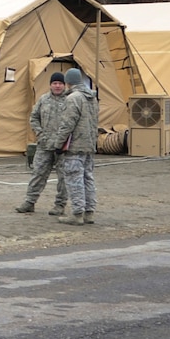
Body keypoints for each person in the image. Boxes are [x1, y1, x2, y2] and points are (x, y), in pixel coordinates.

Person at [17, 72, 73, 214]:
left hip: (63, 146)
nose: (58, 86)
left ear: (64, 85)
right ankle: (29, 202)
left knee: (63, 177)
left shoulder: (70, 100)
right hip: (44, 144)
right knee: (38, 173)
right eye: (55, 83)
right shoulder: (43, 100)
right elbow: (34, 118)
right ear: (50, 85)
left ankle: (60, 205)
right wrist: (40, 133)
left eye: (60, 83)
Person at [59, 67, 100, 225]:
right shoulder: (92, 98)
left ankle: (77, 214)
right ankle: (89, 212)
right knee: (88, 178)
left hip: (75, 145)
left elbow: (67, 124)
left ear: (67, 82)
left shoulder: (73, 98)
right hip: (89, 144)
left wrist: (58, 143)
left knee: (74, 179)